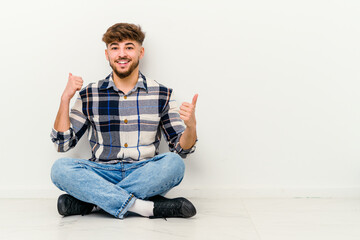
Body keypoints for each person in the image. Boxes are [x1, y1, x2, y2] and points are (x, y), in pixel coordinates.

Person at [50, 23, 198, 219]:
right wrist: (65, 99)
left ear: (140, 52)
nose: (122, 54)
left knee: (174, 164)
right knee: (60, 169)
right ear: (107, 54)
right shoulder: (89, 94)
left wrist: (191, 127)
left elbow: (182, 149)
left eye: (129, 47)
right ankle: (146, 207)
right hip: (102, 171)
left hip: (144, 172)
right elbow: (62, 144)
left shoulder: (162, 94)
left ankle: (94, 204)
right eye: (115, 47)